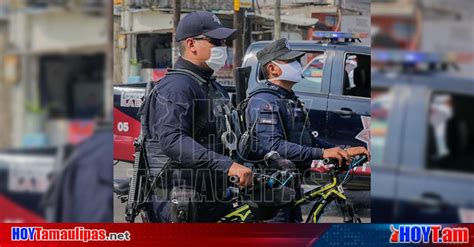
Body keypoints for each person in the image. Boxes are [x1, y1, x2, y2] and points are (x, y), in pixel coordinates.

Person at [244, 38, 370, 222]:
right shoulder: (265, 101)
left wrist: (342, 150)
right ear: (272, 69)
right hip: (271, 190)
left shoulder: (289, 99)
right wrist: (322, 152)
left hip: (289, 184)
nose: (297, 65)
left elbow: (307, 140)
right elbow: (273, 146)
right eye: (290, 61)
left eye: (297, 61)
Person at [142, 11, 252, 222]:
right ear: (191, 44)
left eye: (225, 42)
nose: (224, 48)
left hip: (213, 198)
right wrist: (227, 165)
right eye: (216, 41)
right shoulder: (177, 87)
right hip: (183, 202)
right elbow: (173, 140)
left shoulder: (209, 84)